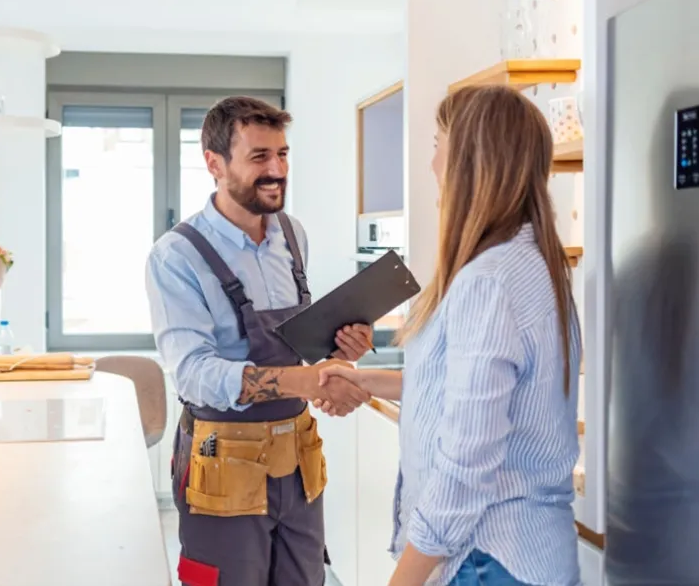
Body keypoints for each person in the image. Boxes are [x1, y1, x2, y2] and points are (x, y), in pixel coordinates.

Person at [318, 85, 583, 586]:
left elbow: (465, 467)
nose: (432, 164)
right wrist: (366, 381)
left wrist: (404, 580)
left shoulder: (487, 282)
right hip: (530, 554)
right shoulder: (532, 265)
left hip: (487, 558)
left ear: (470, 162)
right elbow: (461, 390)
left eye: (438, 144)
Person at [144, 95, 374, 586]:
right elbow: (195, 374)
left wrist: (337, 352)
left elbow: (294, 347)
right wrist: (311, 379)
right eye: (259, 158)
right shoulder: (176, 257)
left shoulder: (293, 235)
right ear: (214, 163)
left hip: (298, 463)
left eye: (283, 155)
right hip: (223, 470)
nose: (276, 170)